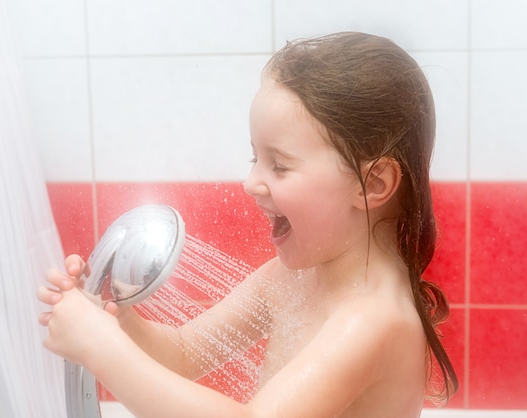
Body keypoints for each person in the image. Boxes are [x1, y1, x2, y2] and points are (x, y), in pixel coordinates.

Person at [37, 32, 458, 417]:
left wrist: (97, 345)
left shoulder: (373, 320)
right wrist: (112, 322)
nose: (251, 182)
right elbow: (183, 353)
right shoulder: (294, 278)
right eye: (254, 158)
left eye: (279, 164)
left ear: (374, 184)